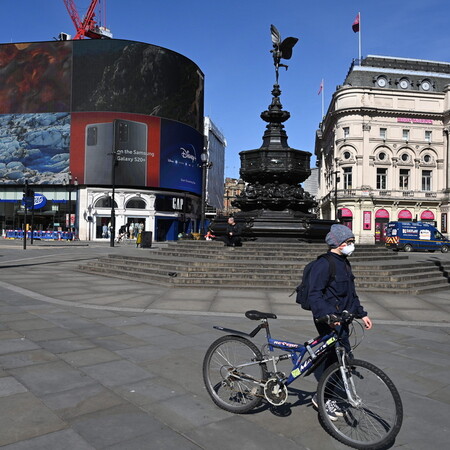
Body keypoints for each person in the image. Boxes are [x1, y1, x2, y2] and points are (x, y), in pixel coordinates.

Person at [308, 224, 373, 421]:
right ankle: (322, 398)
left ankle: (325, 393)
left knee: (341, 356)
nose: (352, 246)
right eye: (349, 242)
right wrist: (329, 316)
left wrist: (361, 314)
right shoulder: (324, 264)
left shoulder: (344, 262)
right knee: (339, 358)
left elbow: (351, 294)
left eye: (352, 242)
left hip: (342, 316)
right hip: (328, 317)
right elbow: (314, 295)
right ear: (338, 243)